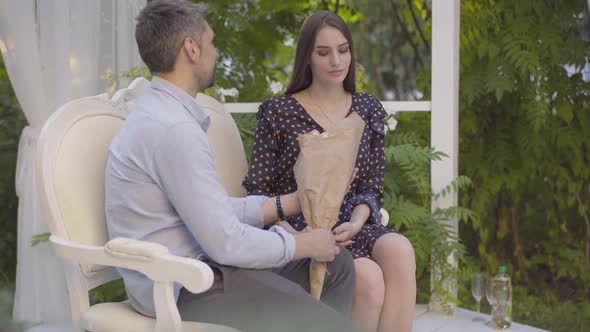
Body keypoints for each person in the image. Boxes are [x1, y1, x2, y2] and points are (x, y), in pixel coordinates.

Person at [104, 1, 359, 332]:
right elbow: (226, 242)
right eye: (211, 42)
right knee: (323, 322)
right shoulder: (172, 129)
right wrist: (303, 244)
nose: (216, 51)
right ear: (191, 49)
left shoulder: (168, 116)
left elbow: (212, 211)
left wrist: (290, 202)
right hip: (182, 283)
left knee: (337, 264)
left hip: (207, 266)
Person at [243, 11, 416, 332]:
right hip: (299, 229)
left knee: (400, 250)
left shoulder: (367, 109)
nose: (336, 60)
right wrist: (295, 237)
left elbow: (371, 185)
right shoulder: (278, 112)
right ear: (307, 57)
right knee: (369, 277)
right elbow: (258, 192)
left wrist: (355, 221)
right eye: (323, 52)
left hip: (352, 223)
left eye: (343, 49)